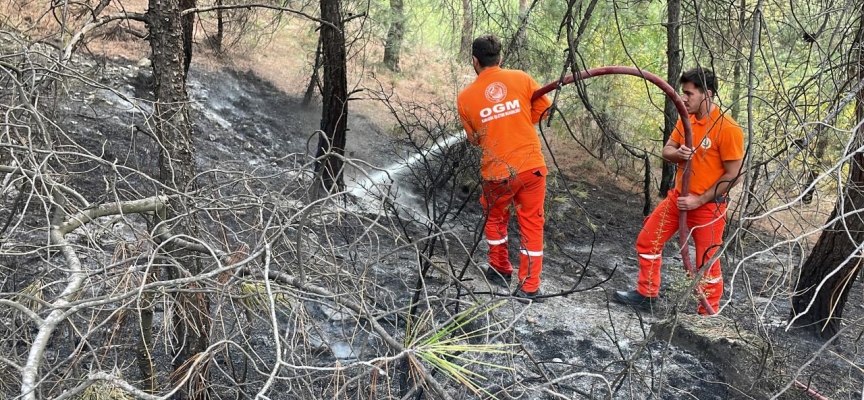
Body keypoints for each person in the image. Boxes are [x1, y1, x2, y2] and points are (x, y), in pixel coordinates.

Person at [612, 67, 744, 314]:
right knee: (648, 240)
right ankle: (646, 295)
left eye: (689, 93)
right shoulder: (687, 120)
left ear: (707, 94)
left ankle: (707, 315)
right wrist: (679, 154)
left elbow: (735, 175)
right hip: (677, 199)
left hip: (708, 208)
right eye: (683, 93)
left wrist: (699, 200)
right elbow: (667, 150)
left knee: (706, 262)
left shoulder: (728, 128)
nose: (683, 98)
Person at [456, 34, 552, 302]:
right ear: (500, 58)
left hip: (497, 173)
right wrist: (517, 118)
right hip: (532, 168)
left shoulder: (465, 97)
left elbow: (474, 139)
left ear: (475, 61)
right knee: (532, 224)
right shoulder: (521, 78)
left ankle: (499, 269)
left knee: (496, 218)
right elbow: (544, 109)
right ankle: (529, 286)